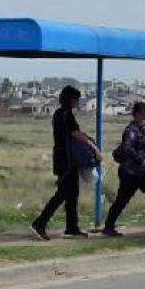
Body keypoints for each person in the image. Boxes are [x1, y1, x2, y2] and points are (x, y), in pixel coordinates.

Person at [30, 85, 102, 240]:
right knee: (62, 193)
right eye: (76, 99)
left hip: (66, 159)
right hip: (66, 160)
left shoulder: (60, 113)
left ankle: (72, 227)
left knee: (72, 194)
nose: (78, 102)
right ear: (70, 99)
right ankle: (40, 223)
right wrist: (93, 146)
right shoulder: (65, 114)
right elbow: (76, 133)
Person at [101, 102, 145, 236]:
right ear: (138, 114)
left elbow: (139, 147)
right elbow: (128, 148)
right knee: (122, 199)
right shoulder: (132, 130)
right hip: (131, 172)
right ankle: (108, 227)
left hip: (142, 172)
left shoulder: (139, 129)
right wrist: (140, 159)